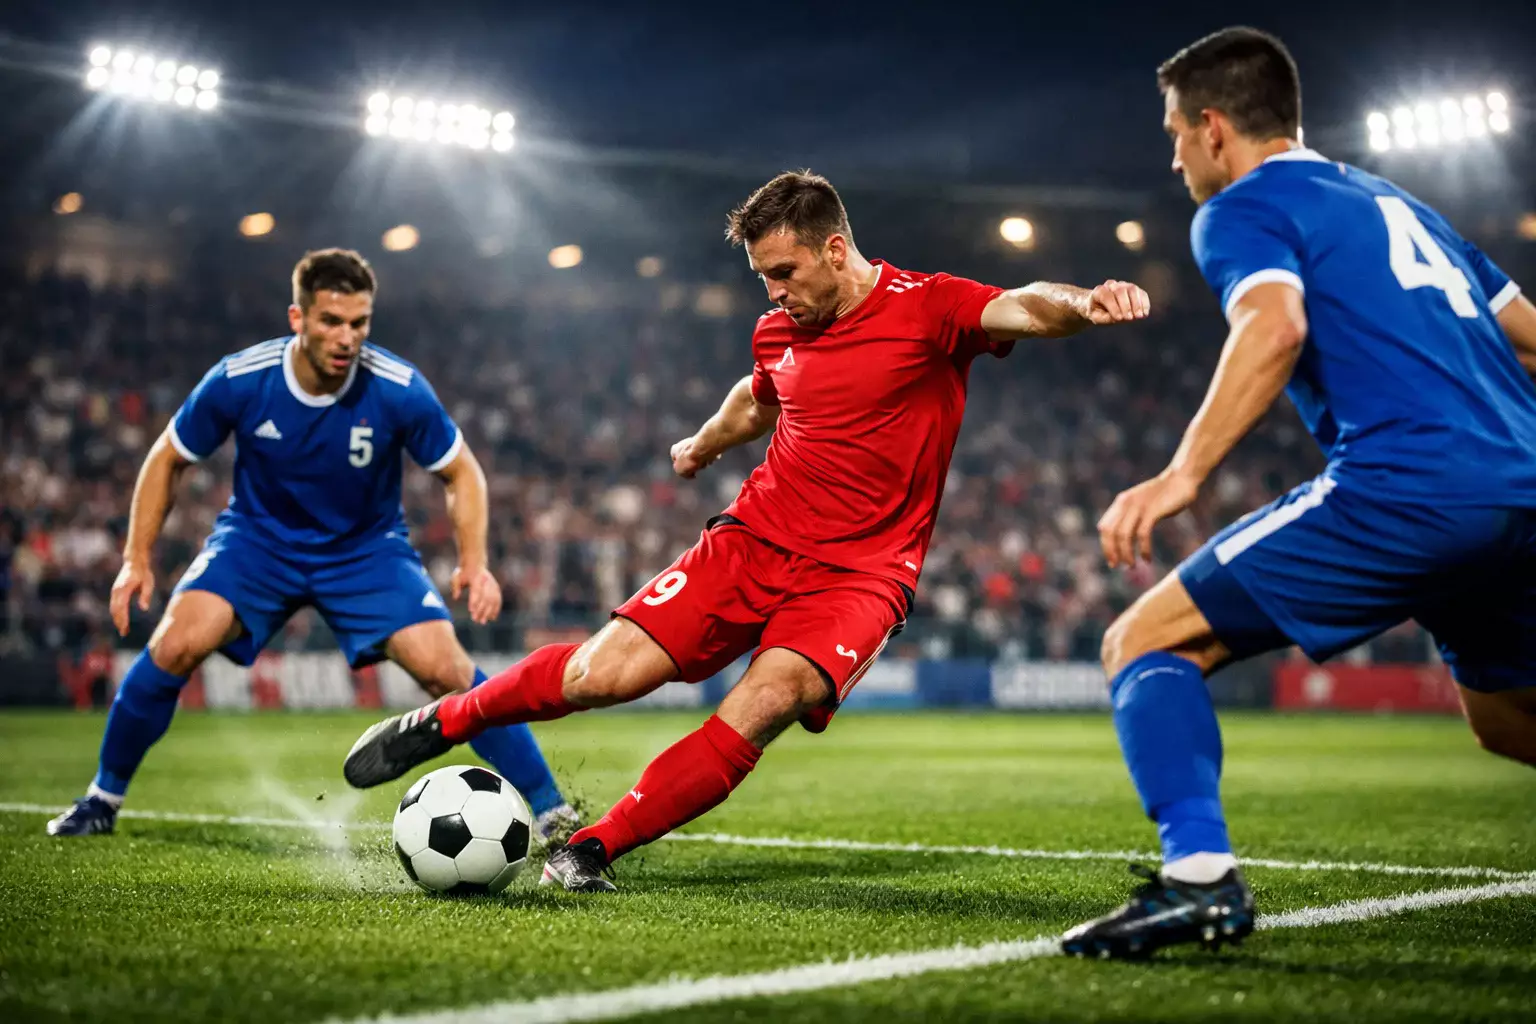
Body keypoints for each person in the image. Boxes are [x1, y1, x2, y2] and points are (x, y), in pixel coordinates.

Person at [342, 171, 1150, 891]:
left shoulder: (930, 307)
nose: (773, 292)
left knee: (766, 700)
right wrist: (704, 442)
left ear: (837, 249)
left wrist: (1087, 301)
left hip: (860, 578)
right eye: (763, 276)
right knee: (601, 676)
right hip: (751, 540)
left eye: (784, 273)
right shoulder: (780, 332)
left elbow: (1026, 306)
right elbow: (757, 398)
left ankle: (592, 847)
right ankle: (445, 721)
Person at [1063, 27, 1536, 959]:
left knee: (1143, 639)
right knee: (1508, 718)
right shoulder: (1400, 205)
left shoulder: (1243, 205)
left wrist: (1182, 473)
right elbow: (1530, 332)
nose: (1172, 156)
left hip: (1411, 483)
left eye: (1171, 132)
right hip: (1522, 482)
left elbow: (1273, 327)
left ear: (1212, 128)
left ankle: (1198, 883)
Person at [47, 249, 577, 841]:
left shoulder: (398, 388)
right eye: (331, 321)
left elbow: (462, 471)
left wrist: (474, 563)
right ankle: (101, 799)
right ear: (297, 317)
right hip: (256, 543)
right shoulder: (241, 378)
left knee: (451, 670)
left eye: (359, 323)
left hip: (366, 552)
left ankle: (553, 809)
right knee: (173, 644)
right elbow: (168, 457)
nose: (347, 337)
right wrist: (134, 560)